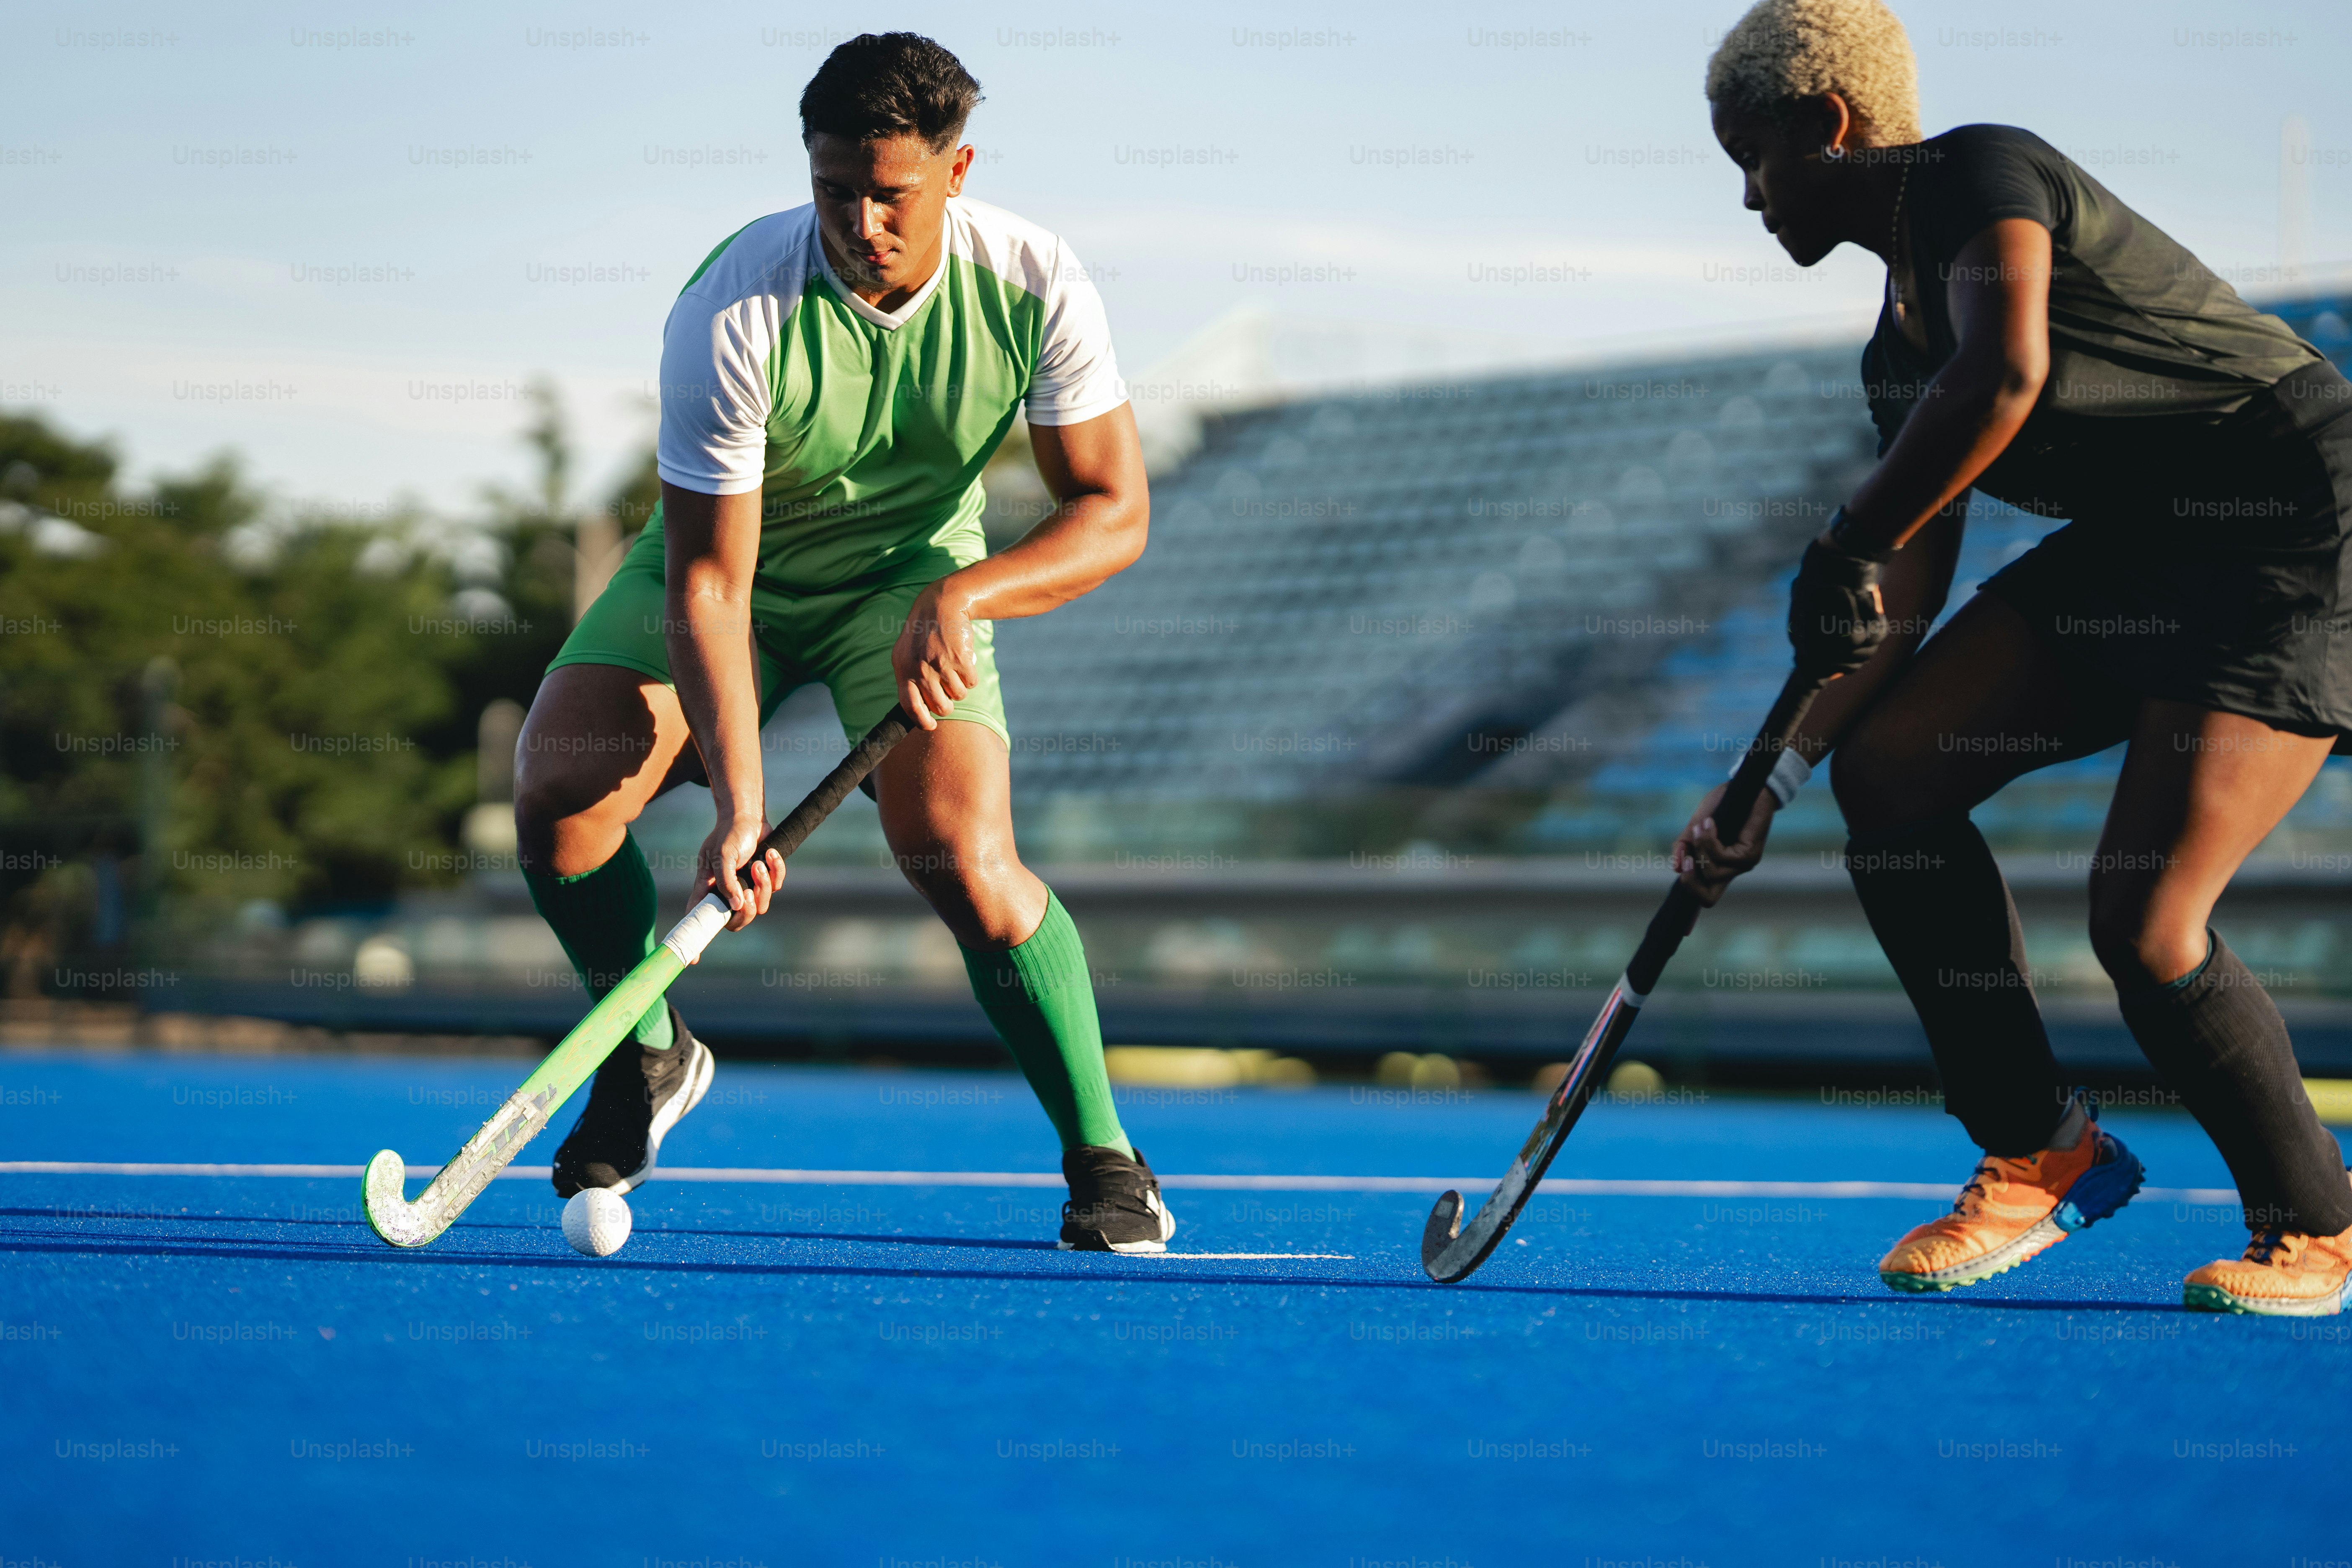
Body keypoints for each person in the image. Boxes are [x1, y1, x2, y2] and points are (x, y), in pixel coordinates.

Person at [1678, 0, 2352, 1313]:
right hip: (2151, 548)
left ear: (1827, 125)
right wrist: (1774, 773)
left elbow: (2005, 377)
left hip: (2301, 523)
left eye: (1752, 160)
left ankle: (2318, 1227)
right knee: (1893, 777)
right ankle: (2040, 1146)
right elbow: (1908, 577)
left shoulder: (1981, 172)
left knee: (2147, 923)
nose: (1750, 201)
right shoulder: (1896, 344)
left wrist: (1841, 541)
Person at [513, 33, 1173, 1252]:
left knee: (966, 862)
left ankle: (1103, 1152)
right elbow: (711, 580)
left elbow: (1115, 511)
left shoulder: (1036, 281)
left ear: (956, 169)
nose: (859, 220)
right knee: (560, 792)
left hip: (911, 583)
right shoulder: (734, 300)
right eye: (834, 190)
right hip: (732, 575)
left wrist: (970, 595)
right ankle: (648, 1053)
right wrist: (741, 808)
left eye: (891, 194)